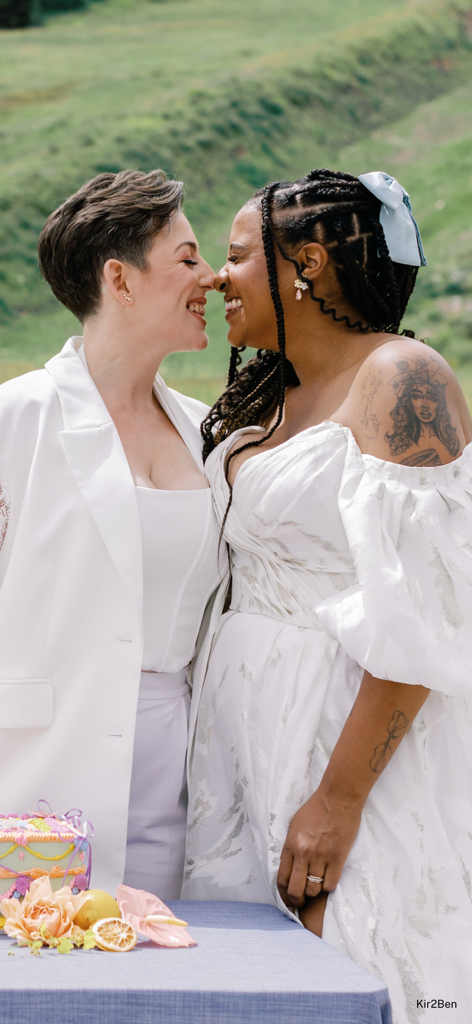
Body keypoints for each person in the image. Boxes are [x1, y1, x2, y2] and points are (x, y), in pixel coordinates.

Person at [182, 169, 472, 1020]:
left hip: (342, 738)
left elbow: (427, 611)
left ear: (307, 263)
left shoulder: (404, 378)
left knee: (356, 956)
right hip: (241, 737)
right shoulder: (272, 391)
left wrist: (340, 800)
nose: (218, 278)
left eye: (237, 256)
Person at [0, 169, 224, 900]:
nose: (211, 276)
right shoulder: (16, 419)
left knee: (167, 956)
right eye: (187, 258)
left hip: (177, 778)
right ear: (119, 279)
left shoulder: (206, 433)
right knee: (44, 956)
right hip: (38, 771)